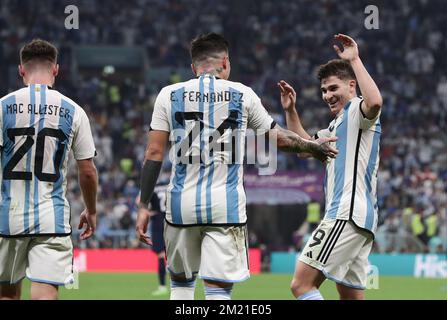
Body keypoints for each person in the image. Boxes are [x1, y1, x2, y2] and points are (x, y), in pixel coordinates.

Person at [136, 32, 338, 301]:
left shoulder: (168, 95)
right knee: (218, 290)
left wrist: (143, 204)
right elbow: (279, 139)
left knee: (181, 287)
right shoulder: (242, 94)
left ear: (193, 67)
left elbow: (154, 151)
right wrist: (314, 146)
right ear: (226, 63)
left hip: (180, 205)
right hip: (225, 205)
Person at [279, 34, 383, 300]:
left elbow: (375, 103)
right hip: (362, 219)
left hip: (345, 214)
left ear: (351, 86)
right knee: (350, 295)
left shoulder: (358, 112)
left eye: (333, 88)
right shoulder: (335, 127)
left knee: (301, 285)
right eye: (324, 90)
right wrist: (291, 111)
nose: (327, 95)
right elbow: (303, 148)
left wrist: (355, 60)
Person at [0, 39, 98, 300]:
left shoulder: (2, 107)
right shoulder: (74, 111)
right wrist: (91, 209)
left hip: (7, 218)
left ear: (21, 69)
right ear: (56, 69)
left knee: (7, 294)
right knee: (45, 295)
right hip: (50, 218)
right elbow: (87, 171)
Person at [137, 182, 169, 296]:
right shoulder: (170, 184)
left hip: (158, 221)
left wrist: (148, 211)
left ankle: (162, 287)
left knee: (160, 254)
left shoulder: (152, 186)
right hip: (173, 219)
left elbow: (139, 201)